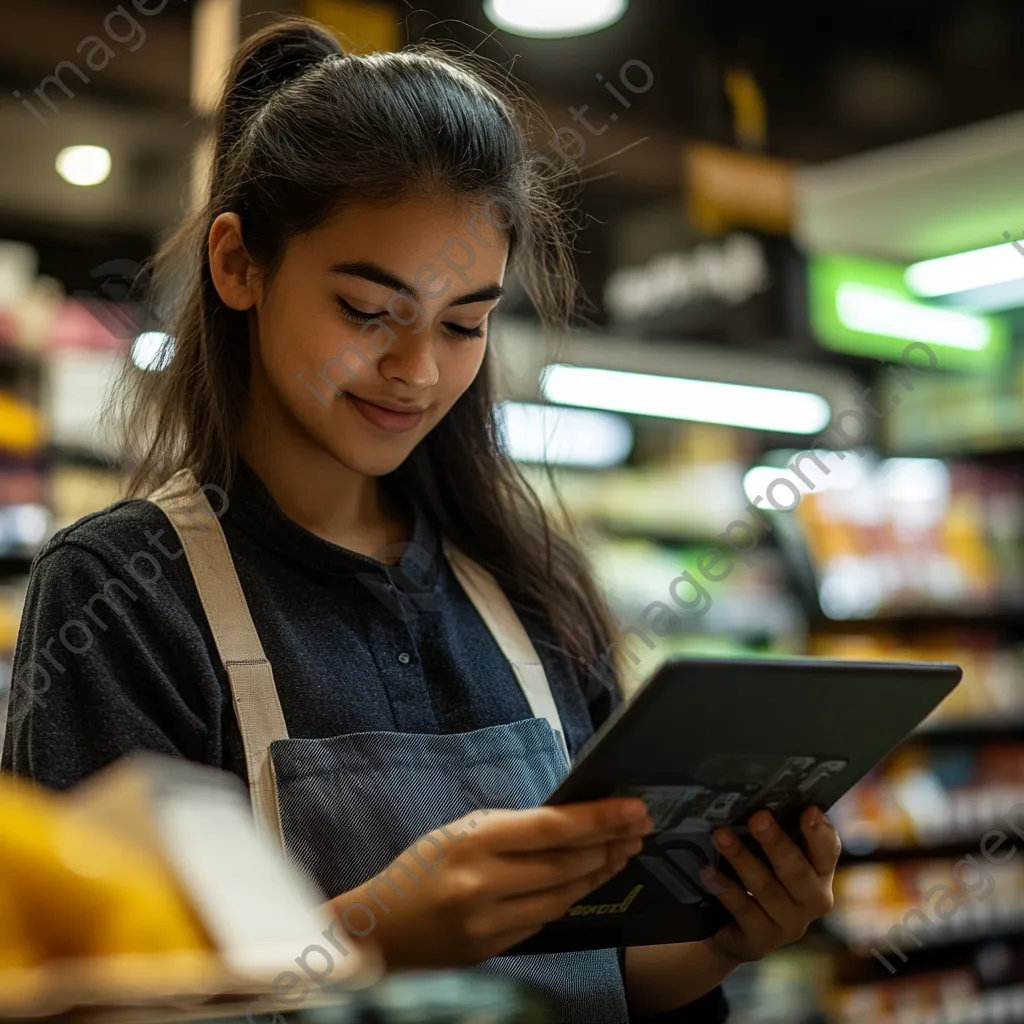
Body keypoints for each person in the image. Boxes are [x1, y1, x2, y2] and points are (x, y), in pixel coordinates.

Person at [1, 16, 840, 1022]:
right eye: (367, 310)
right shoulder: (127, 591)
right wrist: (376, 936)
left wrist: (725, 938)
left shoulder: (526, 581)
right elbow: (91, 997)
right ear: (238, 264)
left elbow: (608, 977)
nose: (418, 370)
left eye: (464, 323)